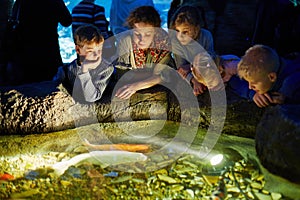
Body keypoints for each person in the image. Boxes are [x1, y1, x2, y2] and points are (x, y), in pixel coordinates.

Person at [113, 5, 175, 100]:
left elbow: (168, 74)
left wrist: (137, 85)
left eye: (148, 34)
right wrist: (154, 77)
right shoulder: (125, 41)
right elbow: (122, 76)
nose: (142, 39)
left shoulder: (163, 41)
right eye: (137, 34)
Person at [6, 0, 72, 85]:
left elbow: (13, 18)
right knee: (51, 82)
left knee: (28, 82)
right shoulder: (55, 1)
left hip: (26, 51)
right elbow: (67, 21)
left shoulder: (21, 2)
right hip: (49, 50)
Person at [53, 24, 114, 103]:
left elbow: (91, 98)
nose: (97, 55)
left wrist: (84, 70)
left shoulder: (106, 69)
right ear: (78, 50)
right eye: (90, 51)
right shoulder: (66, 70)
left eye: (100, 50)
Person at [169, 5, 218, 96]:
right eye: (177, 31)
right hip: (186, 75)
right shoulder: (176, 42)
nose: (180, 36)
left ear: (197, 28)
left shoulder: (206, 36)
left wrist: (190, 66)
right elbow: (181, 69)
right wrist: (194, 81)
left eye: (185, 31)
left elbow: (211, 59)